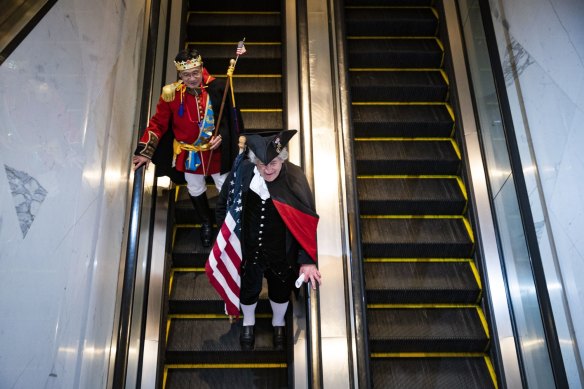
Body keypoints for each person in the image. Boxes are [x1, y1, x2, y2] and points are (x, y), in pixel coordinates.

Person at [215, 130, 322, 351]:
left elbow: (307, 221)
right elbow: (224, 203)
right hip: (249, 251)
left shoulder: (295, 178)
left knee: (280, 291)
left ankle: (278, 322)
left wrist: (307, 260)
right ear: (254, 161)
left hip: (281, 253)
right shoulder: (242, 172)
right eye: (262, 164)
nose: (267, 169)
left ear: (282, 158)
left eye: (273, 163)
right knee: (248, 289)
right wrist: (224, 238)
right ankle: (248, 321)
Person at [133, 48, 240, 247]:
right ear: (180, 75)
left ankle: (228, 225)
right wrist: (145, 152)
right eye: (186, 75)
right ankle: (206, 222)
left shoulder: (219, 87)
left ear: (201, 68)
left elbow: (232, 121)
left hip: (216, 153)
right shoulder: (171, 94)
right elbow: (158, 123)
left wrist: (223, 137)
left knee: (225, 187)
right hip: (189, 154)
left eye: (195, 73)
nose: (192, 78)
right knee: (194, 187)